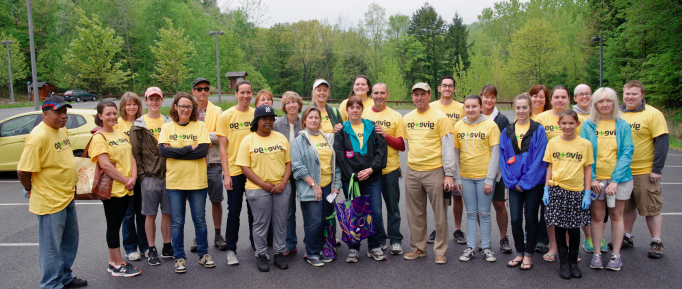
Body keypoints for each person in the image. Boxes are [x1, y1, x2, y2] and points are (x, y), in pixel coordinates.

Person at [17, 96, 88, 288]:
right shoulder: (38, 136)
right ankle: (51, 284)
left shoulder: (61, 130)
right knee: (51, 247)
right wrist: (28, 189)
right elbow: (23, 170)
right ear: (45, 114)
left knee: (68, 242)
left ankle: (64, 277)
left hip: (66, 196)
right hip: (50, 201)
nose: (63, 116)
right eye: (58, 112)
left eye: (65, 112)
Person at [157, 93, 215, 273]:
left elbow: (202, 152)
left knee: (200, 221)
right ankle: (179, 257)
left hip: (197, 181)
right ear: (175, 107)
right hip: (175, 182)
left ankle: (203, 254)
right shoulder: (167, 127)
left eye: (188, 106)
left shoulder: (200, 126)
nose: (185, 109)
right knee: (177, 222)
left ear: (193, 108)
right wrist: (189, 148)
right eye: (182, 106)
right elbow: (163, 152)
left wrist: (176, 151)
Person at [579, 87, 634, 271]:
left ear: (614, 103)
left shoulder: (623, 125)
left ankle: (616, 255)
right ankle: (596, 253)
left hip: (619, 179)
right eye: (600, 101)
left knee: (617, 215)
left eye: (608, 101)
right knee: (597, 216)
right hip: (596, 181)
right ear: (595, 104)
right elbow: (584, 153)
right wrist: (593, 179)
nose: (605, 105)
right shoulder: (588, 125)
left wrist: (615, 180)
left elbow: (627, 152)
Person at [402, 83, 455, 264]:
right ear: (412, 96)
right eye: (415, 94)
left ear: (430, 95)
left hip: (435, 171)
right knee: (415, 213)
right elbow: (409, 143)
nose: (419, 97)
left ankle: (440, 251)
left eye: (422, 94)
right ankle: (419, 247)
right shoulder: (407, 118)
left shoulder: (440, 118)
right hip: (413, 171)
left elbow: (448, 147)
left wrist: (449, 174)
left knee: (439, 214)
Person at [236, 105, 292, 272]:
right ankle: (261, 255)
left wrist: (283, 183)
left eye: (271, 118)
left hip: (281, 187)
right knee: (261, 224)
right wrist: (264, 185)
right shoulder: (248, 140)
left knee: (281, 223)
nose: (268, 121)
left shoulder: (281, 138)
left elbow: (288, 163)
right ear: (257, 121)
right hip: (258, 189)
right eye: (264, 118)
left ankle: (278, 253)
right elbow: (244, 167)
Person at [88, 101, 141, 277]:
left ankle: (114, 262)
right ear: (100, 116)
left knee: (117, 224)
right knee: (113, 226)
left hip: (127, 188)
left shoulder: (118, 133)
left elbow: (131, 157)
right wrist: (127, 180)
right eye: (107, 114)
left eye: (113, 113)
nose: (112, 117)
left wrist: (133, 178)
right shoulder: (98, 137)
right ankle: (118, 264)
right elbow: (105, 166)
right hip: (113, 190)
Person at [333, 95, 388, 262]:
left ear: (362, 109)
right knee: (354, 213)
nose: (355, 110)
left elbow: (381, 150)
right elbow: (340, 156)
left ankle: (374, 246)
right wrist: (355, 174)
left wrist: (371, 170)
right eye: (351, 107)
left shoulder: (372, 127)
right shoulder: (341, 131)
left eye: (358, 107)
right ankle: (353, 248)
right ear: (347, 110)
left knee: (375, 213)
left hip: (372, 177)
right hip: (351, 179)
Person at [535, 85, 586, 261]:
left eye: (563, 97)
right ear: (552, 99)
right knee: (552, 215)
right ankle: (554, 247)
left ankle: (571, 250)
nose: (559, 100)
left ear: (569, 99)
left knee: (569, 217)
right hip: (548, 173)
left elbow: (583, 148)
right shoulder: (542, 117)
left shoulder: (577, 119)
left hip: (572, 174)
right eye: (556, 97)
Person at [619, 80, 668, 259]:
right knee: (626, 207)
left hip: (645, 171)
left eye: (634, 94)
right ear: (623, 94)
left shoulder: (653, 114)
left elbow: (661, 142)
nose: (630, 97)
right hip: (622, 171)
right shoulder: (617, 114)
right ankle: (626, 237)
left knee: (651, 208)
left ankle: (656, 241)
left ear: (642, 95)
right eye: (627, 94)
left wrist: (657, 168)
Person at [543, 109, 593, 279]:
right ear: (559, 124)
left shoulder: (585, 144)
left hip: (576, 191)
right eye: (564, 123)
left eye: (571, 123)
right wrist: (546, 189)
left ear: (578, 124)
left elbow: (587, 169)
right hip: (557, 190)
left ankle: (574, 262)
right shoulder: (553, 143)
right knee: (559, 227)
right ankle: (563, 262)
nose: (567, 126)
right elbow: (550, 166)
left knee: (573, 229)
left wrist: (587, 192)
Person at [500, 93, 548, 270]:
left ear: (530, 108)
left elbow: (539, 159)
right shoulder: (507, 131)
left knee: (530, 218)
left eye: (524, 107)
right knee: (515, 219)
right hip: (514, 184)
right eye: (518, 107)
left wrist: (526, 182)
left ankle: (529, 255)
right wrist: (512, 181)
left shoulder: (538, 130)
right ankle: (519, 253)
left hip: (533, 183)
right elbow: (504, 159)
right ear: (515, 108)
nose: (521, 111)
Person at [291, 106, 343, 266]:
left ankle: (322, 249)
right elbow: (298, 167)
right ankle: (312, 253)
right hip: (311, 187)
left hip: (328, 187)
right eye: (310, 117)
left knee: (324, 220)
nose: (314, 120)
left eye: (316, 117)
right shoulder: (299, 141)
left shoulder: (327, 138)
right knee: (313, 221)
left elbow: (335, 163)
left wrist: (337, 184)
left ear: (320, 120)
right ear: (304, 120)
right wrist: (314, 185)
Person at [454, 95, 501, 262]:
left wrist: (490, 179)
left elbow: (495, 153)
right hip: (466, 177)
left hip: (484, 178)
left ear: (480, 107)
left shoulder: (490, 125)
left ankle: (486, 247)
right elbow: (456, 153)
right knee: (471, 213)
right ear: (464, 108)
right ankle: (470, 247)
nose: (471, 110)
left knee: (485, 213)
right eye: (467, 106)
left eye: (474, 106)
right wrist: (457, 179)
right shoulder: (458, 126)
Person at [129, 87, 174, 265]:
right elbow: (135, 154)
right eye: (151, 99)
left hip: (169, 176)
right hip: (149, 177)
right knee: (149, 215)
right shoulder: (139, 125)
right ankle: (151, 248)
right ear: (145, 101)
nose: (154, 102)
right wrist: (142, 177)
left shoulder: (169, 122)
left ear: (162, 100)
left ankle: (167, 245)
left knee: (168, 213)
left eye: (157, 99)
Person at [362, 82, 407, 254]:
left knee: (392, 206)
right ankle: (380, 239)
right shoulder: (364, 114)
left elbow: (401, 145)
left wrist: (385, 135)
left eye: (382, 93)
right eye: (375, 93)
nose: (379, 96)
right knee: (374, 208)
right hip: (371, 170)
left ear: (388, 95)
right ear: (371, 95)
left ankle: (395, 239)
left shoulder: (396, 116)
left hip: (390, 169)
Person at [217, 80, 257, 265]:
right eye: (242, 92)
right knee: (234, 211)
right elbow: (223, 149)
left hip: (254, 170)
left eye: (249, 92)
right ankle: (231, 249)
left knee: (254, 211)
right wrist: (226, 174)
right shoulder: (226, 116)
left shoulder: (256, 114)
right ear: (236, 94)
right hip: (234, 170)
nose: (246, 96)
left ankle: (256, 245)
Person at [428, 76, 466, 245]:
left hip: (457, 155)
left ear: (454, 89)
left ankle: (457, 229)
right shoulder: (432, 107)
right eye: (444, 86)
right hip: (437, 156)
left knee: (457, 195)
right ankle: (439, 227)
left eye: (450, 86)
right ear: (439, 88)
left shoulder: (461, 108)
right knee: (438, 196)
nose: (447, 88)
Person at [191, 78, 226, 252]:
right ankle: (198, 236)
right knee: (198, 202)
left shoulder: (218, 111)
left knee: (216, 200)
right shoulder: (188, 110)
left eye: (206, 88)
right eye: (199, 89)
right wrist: (207, 135)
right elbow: (186, 133)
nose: (203, 91)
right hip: (194, 163)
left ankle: (218, 234)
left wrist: (200, 135)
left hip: (214, 162)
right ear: (194, 91)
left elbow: (221, 136)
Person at [114, 92, 149, 263]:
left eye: (134, 104)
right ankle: (130, 248)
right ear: (123, 106)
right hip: (124, 177)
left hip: (141, 174)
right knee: (128, 215)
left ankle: (145, 246)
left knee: (142, 213)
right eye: (128, 104)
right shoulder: (117, 125)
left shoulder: (142, 123)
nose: (131, 107)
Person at [479, 84, 512, 254]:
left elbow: (506, 146)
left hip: (497, 170)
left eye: (492, 97)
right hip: (477, 169)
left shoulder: (502, 119)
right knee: (480, 207)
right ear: (481, 97)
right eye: (486, 96)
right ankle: (484, 239)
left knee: (499, 204)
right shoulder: (473, 116)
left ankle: (503, 238)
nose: (489, 100)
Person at [273, 91, 304, 256]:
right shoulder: (277, 125)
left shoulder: (305, 122)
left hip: (303, 172)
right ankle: (290, 243)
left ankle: (312, 242)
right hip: (285, 172)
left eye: (294, 102)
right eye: (287, 102)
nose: (291, 105)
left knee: (308, 207)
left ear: (299, 105)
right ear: (284, 107)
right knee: (288, 210)